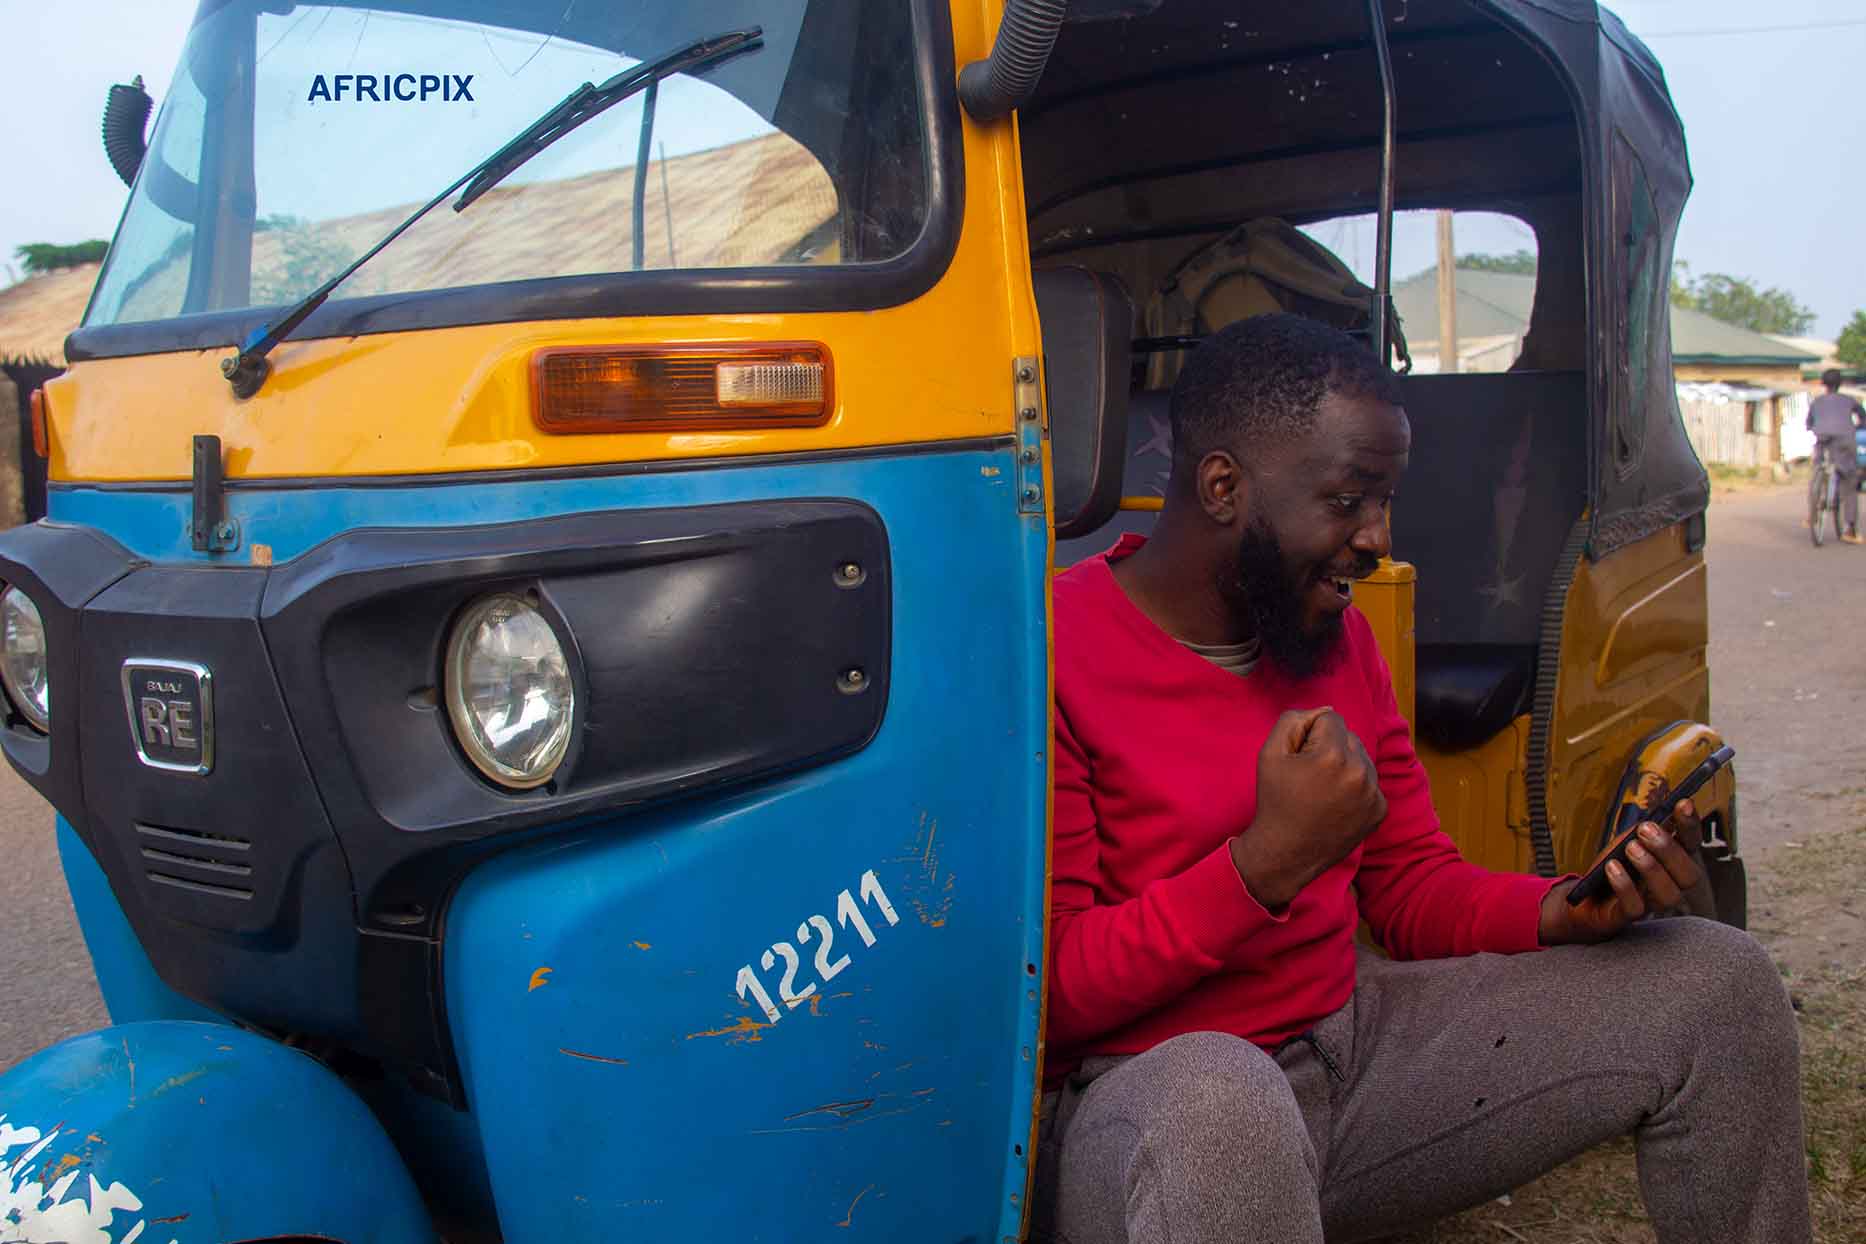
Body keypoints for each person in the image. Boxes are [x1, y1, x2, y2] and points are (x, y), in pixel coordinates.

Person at [1033, 314, 1809, 1244]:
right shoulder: (1052, 650)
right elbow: (1056, 993)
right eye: (1349, 500)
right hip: (1145, 1106)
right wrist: (1260, 869)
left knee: (1719, 984)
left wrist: (1561, 909)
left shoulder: (1335, 634)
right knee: (1221, 1105)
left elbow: (1410, 884)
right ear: (1225, 486)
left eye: (1387, 500)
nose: (1377, 537)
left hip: (1347, 1059)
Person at [1807, 368, 1865, 543]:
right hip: (1844, 439)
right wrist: (1856, 428)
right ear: (1840, 384)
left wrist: (1816, 428)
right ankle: (1850, 529)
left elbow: (1808, 423)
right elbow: (1863, 418)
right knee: (1849, 481)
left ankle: (1812, 512)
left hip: (1822, 438)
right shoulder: (1849, 400)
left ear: (1823, 384)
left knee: (1817, 469)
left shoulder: (1817, 402)